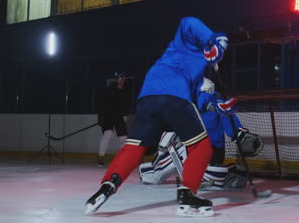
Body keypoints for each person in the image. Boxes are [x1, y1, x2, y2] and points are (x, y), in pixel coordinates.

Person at [85, 17, 236, 217]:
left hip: (149, 97)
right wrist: (212, 40)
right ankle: (187, 195)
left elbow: (193, 98)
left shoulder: (199, 66)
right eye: (220, 49)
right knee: (201, 147)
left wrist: (214, 106)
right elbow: (188, 22)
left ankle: (106, 187)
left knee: (134, 147)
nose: (219, 55)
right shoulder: (187, 42)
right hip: (173, 97)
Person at [139, 77, 252, 189]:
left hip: (205, 151)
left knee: (181, 150)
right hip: (206, 152)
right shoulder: (205, 104)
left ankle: (214, 175)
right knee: (181, 149)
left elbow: (231, 125)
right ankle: (222, 175)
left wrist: (241, 136)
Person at [96, 71, 129, 167]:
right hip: (108, 116)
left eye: (123, 78)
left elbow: (126, 105)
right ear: (116, 80)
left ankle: (122, 159)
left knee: (123, 138)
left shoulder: (125, 91)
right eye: (120, 78)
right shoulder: (109, 90)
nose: (121, 80)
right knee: (108, 133)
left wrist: (125, 115)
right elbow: (102, 104)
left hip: (119, 116)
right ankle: (100, 158)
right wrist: (101, 116)